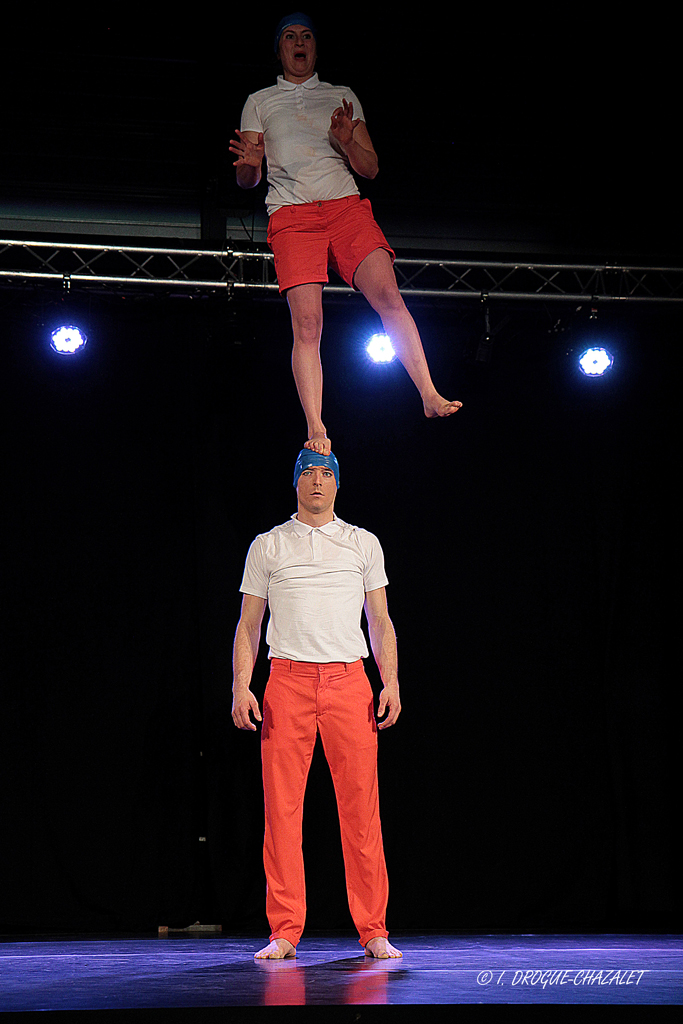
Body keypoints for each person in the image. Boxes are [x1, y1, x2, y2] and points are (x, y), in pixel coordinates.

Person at [229, 12, 462, 457]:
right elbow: (247, 180)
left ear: (316, 47)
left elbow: (370, 168)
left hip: (344, 208)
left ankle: (429, 395)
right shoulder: (259, 101)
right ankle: (316, 424)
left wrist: (346, 141)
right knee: (309, 323)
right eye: (290, 37)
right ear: (279, 49)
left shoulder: (341, 96)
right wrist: (250, 162)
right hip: (292, 216)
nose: (299, 43)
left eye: (307, 37)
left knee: (390, 298)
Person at [231, 448, 402, 960]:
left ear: (339, 485)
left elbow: (380, 621)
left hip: (351, 683)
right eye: (310, 473)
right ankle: (284, 929)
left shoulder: (362, 543)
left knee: (361, 811)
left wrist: (389, 680)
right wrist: (242, 684)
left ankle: (373, 928)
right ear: (296, 484)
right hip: (287, 682)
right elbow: (248, 625)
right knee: (281, 812)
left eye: (328, 474)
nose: (319, 482)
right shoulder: (268, 545)